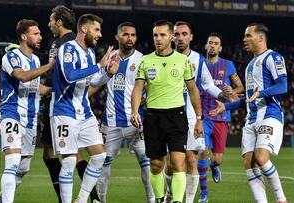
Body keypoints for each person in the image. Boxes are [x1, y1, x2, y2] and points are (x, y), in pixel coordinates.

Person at [210, 23, 288, 203]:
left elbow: (282, 86)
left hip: (270, 115)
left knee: (261, 158)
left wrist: (262, 92)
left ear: (260, 38)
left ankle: (281, 199)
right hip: (251, 119)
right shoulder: (250, 65)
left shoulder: (273, 57)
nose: (244, 39)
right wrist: (226, 107)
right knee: (249, 163)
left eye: (248, 35)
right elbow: (247, 98)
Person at [164, 21, 241, 203]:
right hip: (168, 115)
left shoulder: (198, 60)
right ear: (172, 36)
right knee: (170, 163)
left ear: (190, 37)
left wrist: (223, 95)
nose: (180, 37)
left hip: (192, 117)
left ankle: (191, 199)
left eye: (184, 34)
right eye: (177, 34)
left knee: (192, 158)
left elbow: (208, 85)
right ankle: (169, 194)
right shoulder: (163, 57)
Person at [131, 20, 203, 203]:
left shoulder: (183, 61)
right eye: (155, 35)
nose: (158, 39)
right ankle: (160, 198)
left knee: (179, 163)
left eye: (162, 35)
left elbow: (193, 90)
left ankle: (178, 201)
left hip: (177, 117)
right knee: (156, 166)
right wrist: (134, 111)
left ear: (171, 36)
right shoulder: (146, 60)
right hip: (152, 118)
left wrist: (199, 117)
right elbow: (138, 88)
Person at [50, 14, 119, 203]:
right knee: (70, 160)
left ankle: (80, 199)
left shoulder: (88, 53)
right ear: (84, 29)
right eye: (96, 30)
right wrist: (99, 65)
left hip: (84, 111)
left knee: (99, 156)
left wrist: (107, 73)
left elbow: (93, 81)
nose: (99, 34)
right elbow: (70, 75)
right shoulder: (68, 48)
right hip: (65, 111)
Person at [41, 5, 100, 203]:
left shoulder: (68, 45)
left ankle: (84, 198)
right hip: (65, 107)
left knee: (69, 156)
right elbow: (65, 76)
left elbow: (71, 77)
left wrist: (105, 70)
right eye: (97, 30)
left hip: (71, 107)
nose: (49, 24)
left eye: (51, 20)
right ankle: (84, 198)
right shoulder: (65, 45)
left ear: (58, 21)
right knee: (69, 156)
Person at [92, 22, 154, 203]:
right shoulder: (110, 57)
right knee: (104, 163)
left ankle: (152, 200)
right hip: (111, 122)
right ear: (117, 37)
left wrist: (146, 101)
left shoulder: (143, 59)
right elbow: (96, 82)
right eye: (126, 35)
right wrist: (108, 73)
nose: (130, 38)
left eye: (133, 35)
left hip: (137, 121)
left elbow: (151, 87)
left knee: (146, 163)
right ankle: (101, 200)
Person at [0, 19, 55, 203]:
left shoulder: (35, 59)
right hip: (12, 113)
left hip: (30, 118)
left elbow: (38, 88)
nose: (40, 36)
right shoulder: (11, 57)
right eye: (35, 33)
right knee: (12, 162)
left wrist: (63, 88)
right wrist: (50, 66)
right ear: (23, 36)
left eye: (39, 33)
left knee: (24, 167)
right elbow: (22, 76)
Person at [196, 32, 244, 202]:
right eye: (210, 43)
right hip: (203, 116)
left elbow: (240, 88)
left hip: (222, 116)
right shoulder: (198, 63)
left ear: (220, 47)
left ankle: (213, 166)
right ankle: (204, 193)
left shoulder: (228, 65)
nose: (213, 46)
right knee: (202, 150)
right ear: (206, 46)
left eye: (216, 43)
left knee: (218, 159)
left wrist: (232, 91)